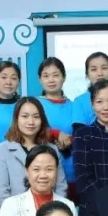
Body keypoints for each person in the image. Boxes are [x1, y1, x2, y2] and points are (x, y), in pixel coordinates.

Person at [0, 96, 67, 206]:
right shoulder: (2, 150)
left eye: (36, 117)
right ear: (16, 119)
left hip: (50, 212)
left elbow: (61, 187)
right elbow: (1, 192)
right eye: (25, 116)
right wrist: (17, 213)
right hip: (14, 212)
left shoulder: (52, 149)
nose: (31, 122)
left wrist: (54, 212)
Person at [36, 57, 77, 192]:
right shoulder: (34, 104)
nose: (51, 80)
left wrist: (70, 140)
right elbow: (29, 132)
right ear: (39, 79)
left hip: (73, 171)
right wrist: (55, 133)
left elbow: (84, 135)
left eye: (56, 75)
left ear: (64, 77)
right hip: (43, 174)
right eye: (46, 76)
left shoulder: (75, 106)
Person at [74, 51, 108, 126]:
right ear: (87, 74)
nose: (100, 73)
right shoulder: (79, 102)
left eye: (104, 68)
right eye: (94, 69)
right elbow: (79, 130)